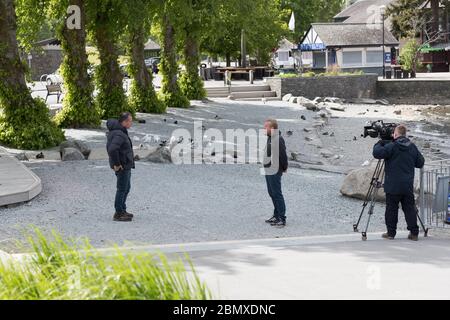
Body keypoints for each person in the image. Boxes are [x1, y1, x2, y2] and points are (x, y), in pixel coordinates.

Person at [373, 124, 425, 241]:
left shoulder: (392, 146)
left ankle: (391, 233)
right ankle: (414, 233)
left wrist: (380, 143)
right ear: (405, 134)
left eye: (393, 133)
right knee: (409, 209)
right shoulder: (412, 147)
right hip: (407, 185)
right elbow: (420, 162)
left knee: (391, 209)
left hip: (392, 185)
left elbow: (377, 153)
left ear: (396, 134)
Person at [106, 112, 135, 222]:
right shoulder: (119, 134)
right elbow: (112, 149)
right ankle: (118, 213)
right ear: (125, 122)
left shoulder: (120, 131)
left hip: (125, 164)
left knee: (126, 188)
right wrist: (117, 164)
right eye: (130, 121)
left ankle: (122, 209)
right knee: (122, 189)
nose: (131, 123)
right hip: (122, 166)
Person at [263, 119, 288, 227]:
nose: (264, 129)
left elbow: (283, 156)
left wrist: (284, 167)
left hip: (275, 169)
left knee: (277, 194)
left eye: (266, 127)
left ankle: (282, 218)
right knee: (271, 193)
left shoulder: (278, 139)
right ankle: (276, 215)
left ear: (272, 128)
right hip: (268, 169)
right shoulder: (270, 137)